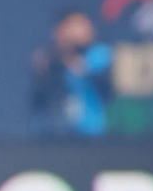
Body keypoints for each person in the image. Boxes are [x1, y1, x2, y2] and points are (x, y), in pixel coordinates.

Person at [30, 9, 113, 137]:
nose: (78, 31)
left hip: (93, 134)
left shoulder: (100, 54)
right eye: (72, 26)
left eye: (82, 25)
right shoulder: (48, 59)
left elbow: (91, 71)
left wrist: (77, 65)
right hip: (57, 135)